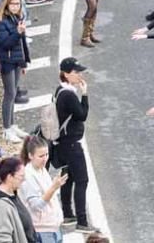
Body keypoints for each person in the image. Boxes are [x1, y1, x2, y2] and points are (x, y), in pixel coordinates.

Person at [54, 57, 95, 234]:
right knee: (82, 180)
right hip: (71, 144)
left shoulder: (59, 91)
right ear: (66, 74)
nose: (79, 75)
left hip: (62, 143)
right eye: (76, 72)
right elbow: (82, 115)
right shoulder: (69, 95)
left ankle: (68, 213)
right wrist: (84, 94)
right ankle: (82, 221)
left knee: (67, 178)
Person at [0, 0, 30, 143]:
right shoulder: (1, 22)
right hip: (7, 61)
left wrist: (24, 62)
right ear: (6, 5)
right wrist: (17, 32)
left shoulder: (16, 18)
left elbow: (22, 45)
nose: (16, 7)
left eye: (18, 4)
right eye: (13, 4)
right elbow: (5, 43)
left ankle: (12, 124)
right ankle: (7, 128)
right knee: (9, 93)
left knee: (13, 93)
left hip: (16, 60)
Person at [20, 135, 66, 243]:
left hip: (53, 226)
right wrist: (53, 188)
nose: (45, 158)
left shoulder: (42, 170)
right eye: (41, 156)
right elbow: (36, 205)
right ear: (30, 155)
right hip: (42, 230)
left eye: (46, 154)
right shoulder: (28, 175)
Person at [0, 155, 39, 243]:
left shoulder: (12, 195)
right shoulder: (1, 207)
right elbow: (1, 239)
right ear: (9, 177)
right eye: (21, 176)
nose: (24, 179)